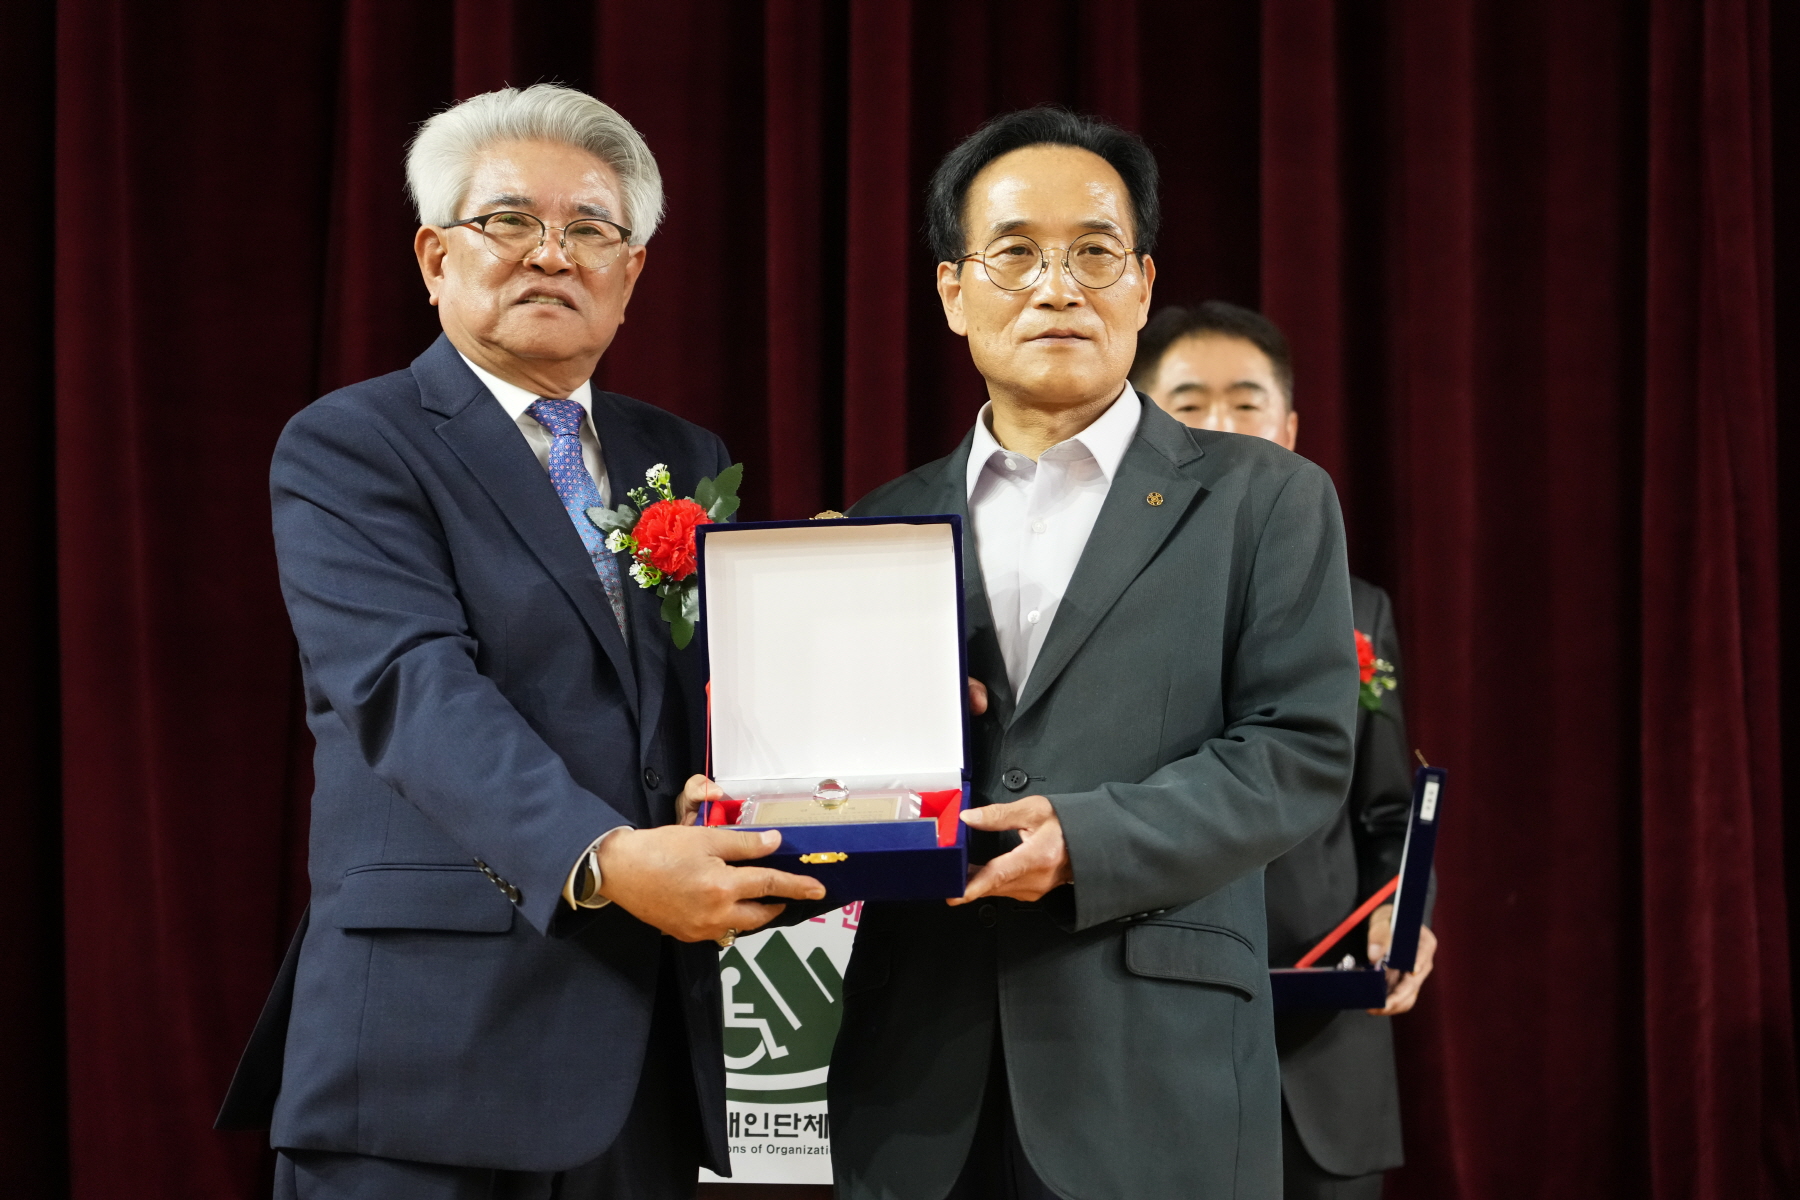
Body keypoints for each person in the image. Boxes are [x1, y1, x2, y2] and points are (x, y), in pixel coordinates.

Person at [215, 84, 825, 1200]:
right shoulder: (354, 444)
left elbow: (707, 698)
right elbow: (410, 688)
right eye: (508, 222)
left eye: (591, 228)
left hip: (643, 1065)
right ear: (434, 255)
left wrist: (848, 684)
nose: (552, 254)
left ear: (631, 274)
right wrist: (604, 859)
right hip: (424, 1053)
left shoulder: (682, 455)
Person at [825, 108, 1360, 1200]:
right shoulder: (880, 524)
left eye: (1095, 252)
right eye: (1014, 252)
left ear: (1144, 282)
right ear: (952, 292)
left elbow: (1297, 754)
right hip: (918, 1083)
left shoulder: (1264, 499)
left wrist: (1084, 837)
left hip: (1159, 1075)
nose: (1057, 286)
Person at [1132, 300, 1440, 1200]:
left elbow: (1385, 811)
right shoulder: (1094, 608)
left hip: (1324, 1052)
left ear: (1291, 429)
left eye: (1247, 403)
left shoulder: (1357, 608)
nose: (1222, 427)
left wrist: (1406, 913)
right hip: (1152, 1042)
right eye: (1190, 404)